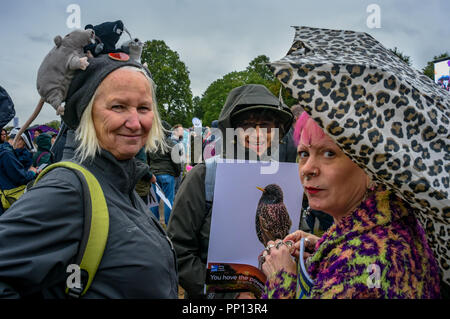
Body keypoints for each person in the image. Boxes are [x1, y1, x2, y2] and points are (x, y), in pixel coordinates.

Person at [0, 54, 178, 298]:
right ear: (86, 112)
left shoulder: (122, 182)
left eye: (144, 108)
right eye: (118, 106)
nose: (136, 122)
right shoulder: (67, 190)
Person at [259, 112, 441, 299]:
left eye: (329, 153)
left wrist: (280, 279)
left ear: (372, 164)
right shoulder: (389, 223)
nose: (307, 168)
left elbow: (360, 272)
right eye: (304, 153)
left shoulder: (364, 262)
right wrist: (324, 249)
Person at [167, 84, 293, 299]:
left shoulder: (285, 179)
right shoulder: (205, 175)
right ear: (232, 130)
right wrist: (228, 296)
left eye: (266, 125)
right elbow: (178, 249)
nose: (258, 133)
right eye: (248, 125)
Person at [148, 120, 182, 226]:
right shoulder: (170, 143)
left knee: (153, 202)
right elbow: (177, 162)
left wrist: (150, 170)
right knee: (168, 201)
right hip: (168, 175)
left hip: (154, 175)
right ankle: (169, 224)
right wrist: (177, 173)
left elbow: (148, 160)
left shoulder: (151, 144)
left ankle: (154, 224)